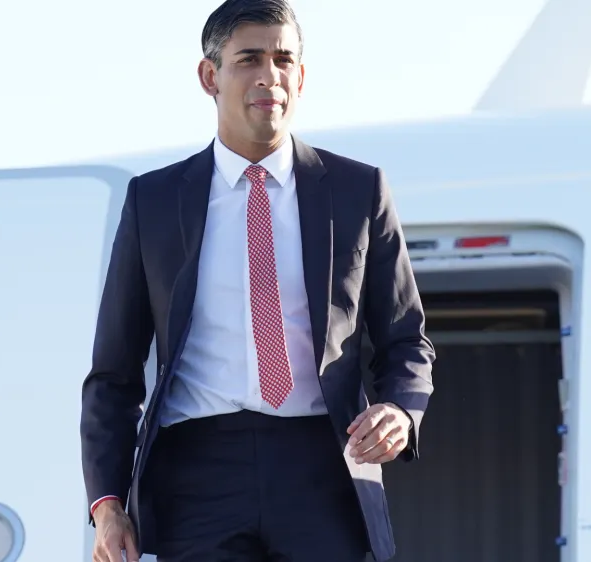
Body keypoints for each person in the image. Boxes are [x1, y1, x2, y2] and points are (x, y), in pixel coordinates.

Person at [80, 0, 435, 560]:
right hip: (196, 475)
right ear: (209, 75)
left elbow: (406, 340)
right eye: (248, 58)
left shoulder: (357, 190)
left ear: (301, 76)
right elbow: (114, 374)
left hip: (324, 468)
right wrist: (107, 503)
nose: (269, 75)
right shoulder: (153, 201)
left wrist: (399, 410)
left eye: (283, 59)